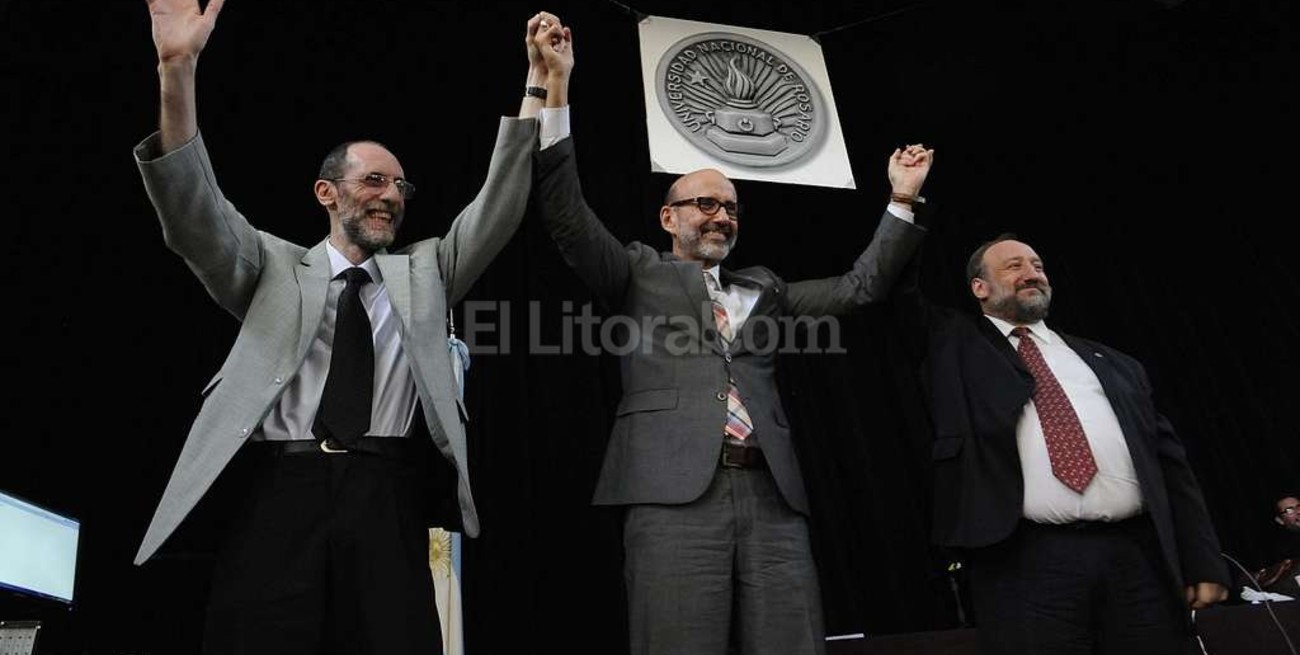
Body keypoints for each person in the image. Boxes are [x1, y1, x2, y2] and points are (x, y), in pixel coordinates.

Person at [132, 1, 557, 653]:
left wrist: (536, 84)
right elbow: (192, 209)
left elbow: (499, 202)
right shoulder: (271, 265)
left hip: (386, 493)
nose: (390, 195)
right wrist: (177, 69)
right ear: (327, 193)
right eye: (373, 180)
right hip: (280, 491)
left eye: (400, 187)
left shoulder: (428, 269)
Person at [527, 17, 933, 655]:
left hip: (772, 496)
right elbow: (566, 214)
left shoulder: (765, 288)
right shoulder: (637, 272)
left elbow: (860, 288)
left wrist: (901, 200)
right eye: (706, 204)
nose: (722, 216)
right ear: (669, 217)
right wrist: (557, 90)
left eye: (732, 208)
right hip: (671, 496)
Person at [896, 234, 1231, 654]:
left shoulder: (1115, 363)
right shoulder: (954, 344)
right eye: (1014, 266)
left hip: (1137, 557)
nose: (1031, 273)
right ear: (979, 287)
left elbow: (1171, 468)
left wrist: (1202, 560)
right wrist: (905, 207)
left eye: (1037, 265)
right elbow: (894, 289)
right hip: (1027, 562)